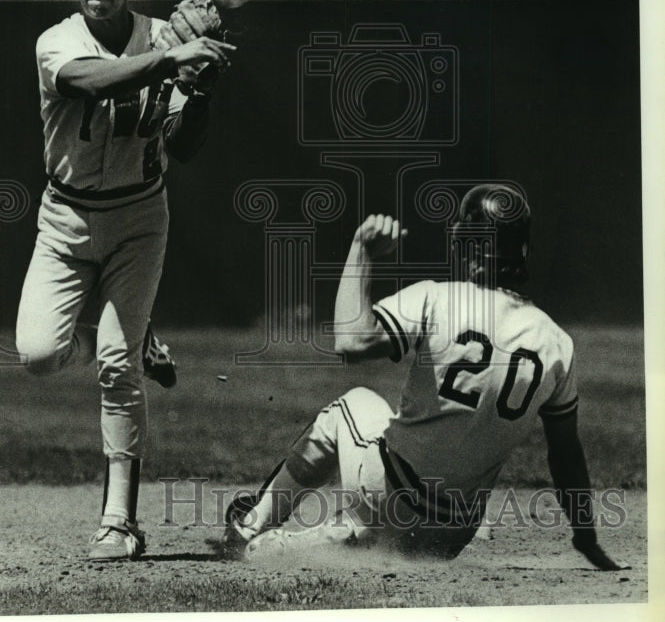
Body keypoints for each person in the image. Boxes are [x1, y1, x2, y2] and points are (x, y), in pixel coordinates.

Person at [222, 184, 626, 571]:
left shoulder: (438, 298)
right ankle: (347, 538)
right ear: (522, 251)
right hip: (451, 536)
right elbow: (566, 455)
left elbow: (350, 340)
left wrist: (361, 250)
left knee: (351, 405)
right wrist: (586, 536)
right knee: (405, 506)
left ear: (469, 248)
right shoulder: (557, 343)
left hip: (389, 498)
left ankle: (252, 526)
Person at [16, 0, 234, 560]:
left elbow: (185, 147)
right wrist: (171, 60)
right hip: (66, 219)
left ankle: (119, 522)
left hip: (139, 216)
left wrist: (198, 94)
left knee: (116, 364)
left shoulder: (161, 39)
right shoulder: (56, 43)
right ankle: (138, 339)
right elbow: (93, 82)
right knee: (36, 354)